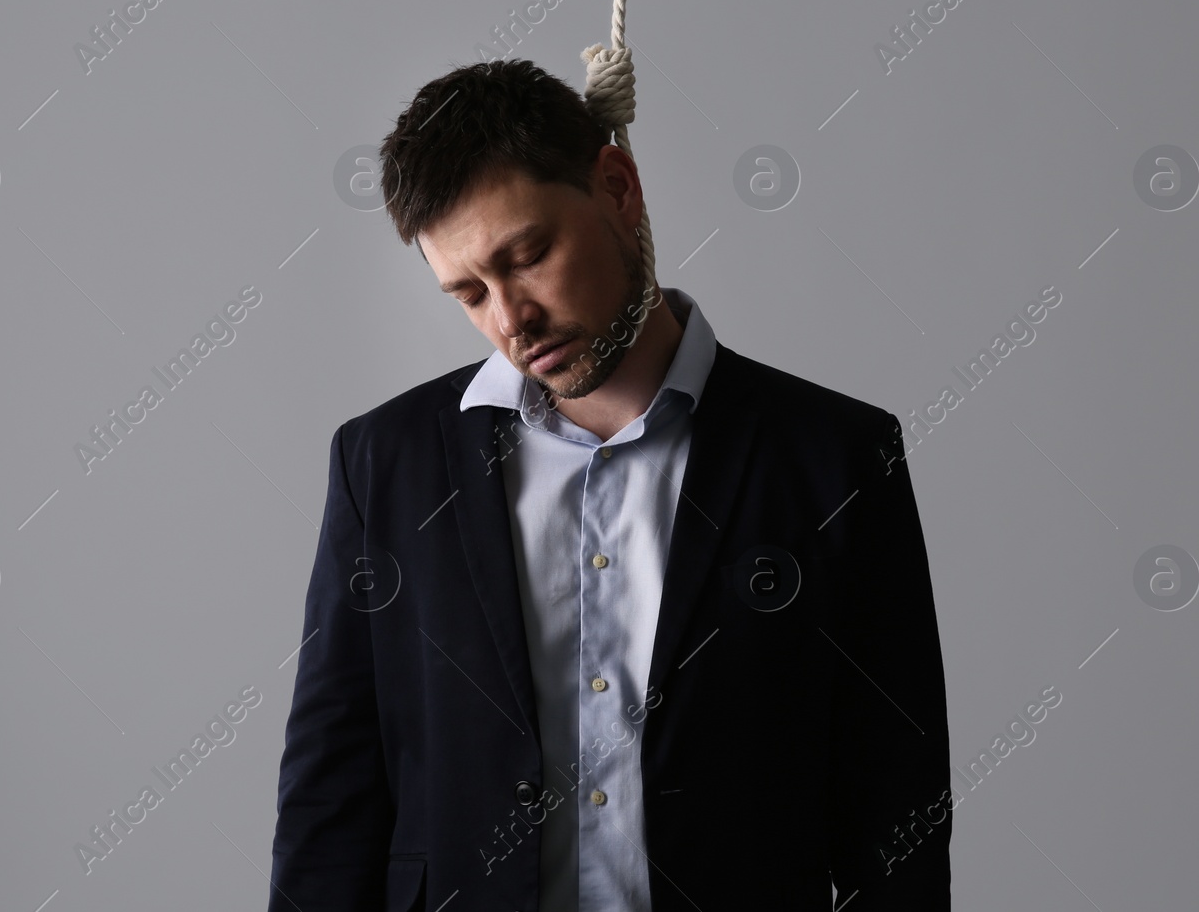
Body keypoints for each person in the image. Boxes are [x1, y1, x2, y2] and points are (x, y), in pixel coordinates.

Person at [267, 58, 951, 911]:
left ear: (619, 187)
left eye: (528, 256)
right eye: (469, 291)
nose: (510, 321)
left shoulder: (836, 458)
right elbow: (333, 795)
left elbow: (900, 815)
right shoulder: (384, 462)